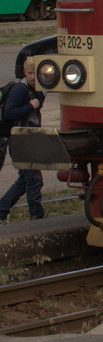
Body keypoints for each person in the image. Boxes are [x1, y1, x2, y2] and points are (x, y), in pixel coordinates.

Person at [0, 58, 45, 222]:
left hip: (28, 139)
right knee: (34, 180)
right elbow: (9, 113)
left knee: (25, 180)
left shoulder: (36, 90)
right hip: (20, 140)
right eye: (29, 73)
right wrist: (30, 106)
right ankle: (37, 216)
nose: (32, 77)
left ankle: (2, 209)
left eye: (35, 73)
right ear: (24, 73)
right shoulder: (20, 90)